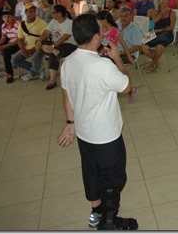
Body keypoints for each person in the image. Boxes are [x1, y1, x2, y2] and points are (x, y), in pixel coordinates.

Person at [56, 13, 138, 230]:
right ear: (95, 37)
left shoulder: (68, 62)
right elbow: (127, 87)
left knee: (91, 172)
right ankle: (108, 222)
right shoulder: (103, 67)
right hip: (106, 136)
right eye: (101, 29)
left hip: (84, 133)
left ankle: (96, 213)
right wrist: (118, 59)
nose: (104, 32)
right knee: (113, 180)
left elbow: (66, 94)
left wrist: (70, 122)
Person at [37, 5, 77, 90]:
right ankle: (55, 51)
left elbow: (64, 38)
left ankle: (52, 81)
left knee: (52, 54)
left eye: (53, 12)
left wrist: (52, 46)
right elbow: (46, 33)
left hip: (68, 45)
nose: (51, 14)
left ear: (59, 13)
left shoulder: (69, 23)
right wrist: (39, 40)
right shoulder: (53, 21)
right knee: (41, 43)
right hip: (56, 45)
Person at [11, 3, 48, 81]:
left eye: (34, 11)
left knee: (35, 58)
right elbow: (20, 39)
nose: (32, 13)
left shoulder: (42, 23)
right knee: (15, 60)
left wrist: (32, 50)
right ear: (25, 13)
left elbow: (44, 39)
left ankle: (33, 73)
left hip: (40, 46)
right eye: (30, 11)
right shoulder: (22, 25)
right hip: (27, 46)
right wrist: (23, 50)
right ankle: (37, 68)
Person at [141, 0, 175, 72]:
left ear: (167, 0)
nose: (162, 1)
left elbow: (171, 27)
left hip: (166, 34)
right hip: (155, 33)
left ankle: (152, 65)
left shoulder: (172, 13)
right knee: (143, 47)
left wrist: (161, 30)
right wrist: (161, 13)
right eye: (160, 0)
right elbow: (155, 21)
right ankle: (156, 61)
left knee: (159, 47)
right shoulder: (155, 11)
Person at [0, 9, 20, 83]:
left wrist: (3, 47)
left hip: (20, 44)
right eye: (5, 17)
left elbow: (18, 40)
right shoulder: (3, 26)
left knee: (5, 51)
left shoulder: (17, 25)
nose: (7, 18)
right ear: (2, 18)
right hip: (11, 43)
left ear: (12, 17)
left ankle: (9, 73)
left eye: (9, 16)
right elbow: (3, 38)